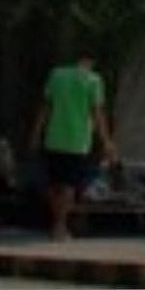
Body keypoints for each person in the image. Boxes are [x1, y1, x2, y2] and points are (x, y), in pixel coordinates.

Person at [31, 50, 115, 241]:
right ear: (91, 61)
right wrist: (107, 141)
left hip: (54, 137)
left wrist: (35, 134)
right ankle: (60, 226)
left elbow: (45, 106)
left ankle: (56, 223)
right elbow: (97, 113)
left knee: (54, 184)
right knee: (69, 185)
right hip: (77, 141)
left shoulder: (56, 75)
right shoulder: (93, 80)